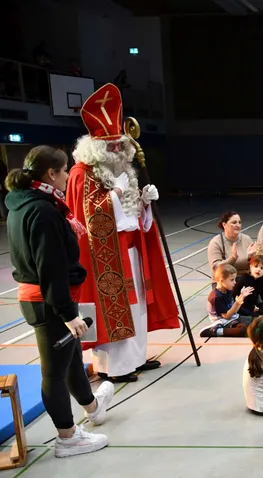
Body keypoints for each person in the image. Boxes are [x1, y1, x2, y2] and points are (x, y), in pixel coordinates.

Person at [5, 145, 115, 457]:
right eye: (64, 170)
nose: (67, 175)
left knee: (69, 360)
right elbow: (49, 267)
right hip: (49, 301)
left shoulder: (26, 203)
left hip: (45, 299)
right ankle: (67, 438)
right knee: (53, 373)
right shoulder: (42, 211)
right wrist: (68, 313)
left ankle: (92, 408)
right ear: (51, 174)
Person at [66, 83, 179, 383]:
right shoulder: (82, 174)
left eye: (120, 145)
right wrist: (115, 192)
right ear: (97, 147)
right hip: (104, 256)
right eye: (111, 146)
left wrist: (144, 203)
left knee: (138, 306)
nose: (117, 150)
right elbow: (89, 218)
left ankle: (136, 359)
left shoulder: (126, 170)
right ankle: (114, 368)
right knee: (114, 311)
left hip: (131, 249)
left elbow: (132, 217)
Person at [201, 264, 252, 338]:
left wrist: (242, 296)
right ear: (222, 281)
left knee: (256, 322)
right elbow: (227, 316)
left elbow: (234, 311)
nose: (235, 282)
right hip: (223, 322)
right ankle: (215, 331)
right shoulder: (216, 297)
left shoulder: (228, 290)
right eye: (232, 280)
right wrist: (237, 303)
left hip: (234, 318)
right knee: (245, 331)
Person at [207, 211, 257, 277]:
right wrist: (233, 258)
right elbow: (215, 268)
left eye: (239, 222)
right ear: (224, 225)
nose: (238, 225)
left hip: (246, 278)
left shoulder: (247, 239)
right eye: (234, 222)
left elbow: (255, 265)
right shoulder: (216, 242)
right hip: (225, 281)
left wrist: (252, 257)